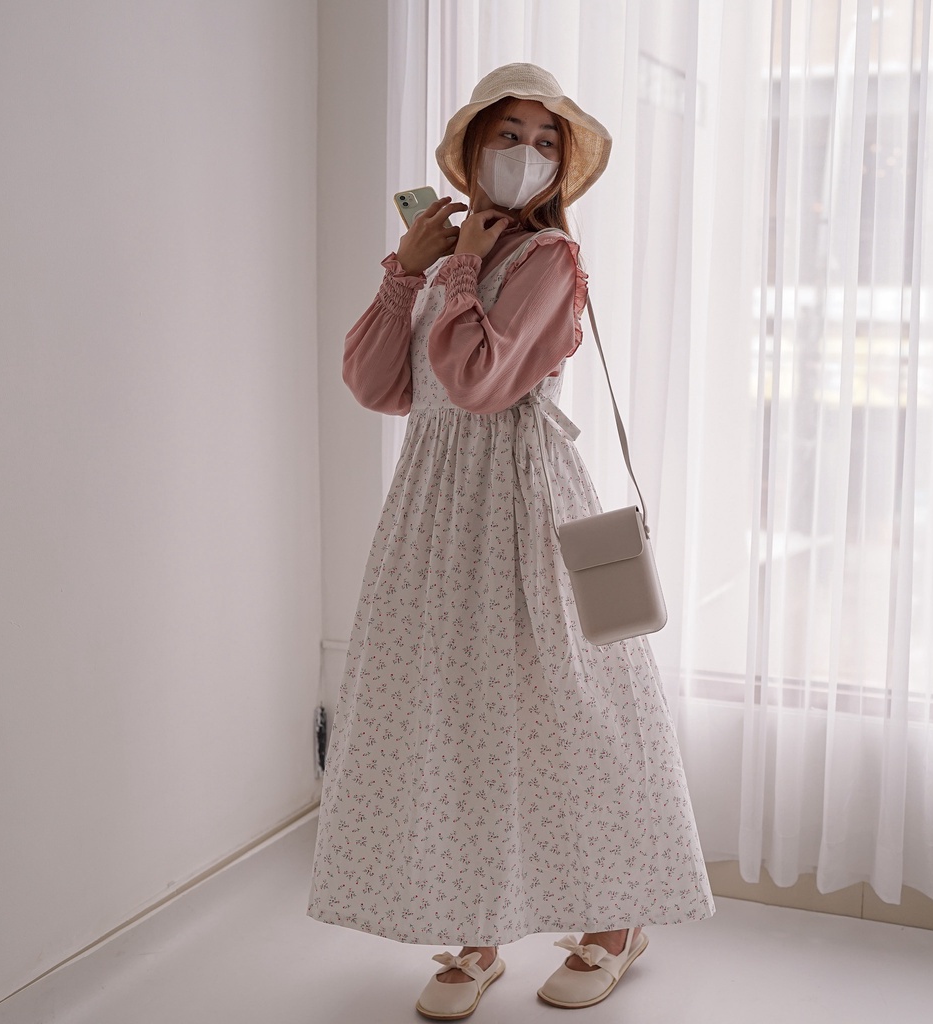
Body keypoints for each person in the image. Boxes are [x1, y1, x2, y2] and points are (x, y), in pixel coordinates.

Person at [308, 62, 714, 1020]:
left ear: (561, 166)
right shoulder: (448, 254)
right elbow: (377, 384)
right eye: (510, 134)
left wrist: (454, 272)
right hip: (432, 502)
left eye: (544, 141)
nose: (526, 153)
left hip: (521, 498)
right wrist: (410, 267)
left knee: (566, 706)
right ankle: (475, 928)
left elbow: (481, 382)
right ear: (473, 147)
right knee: (448, 708)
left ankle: (615, 922)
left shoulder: (550, 261)